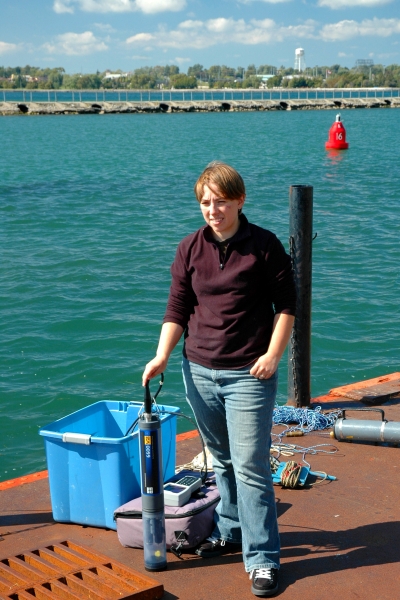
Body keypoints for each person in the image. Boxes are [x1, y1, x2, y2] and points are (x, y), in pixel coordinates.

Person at [142, 161, 296, 597]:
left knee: (250, 466)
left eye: (221, 202)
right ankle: (229, 529)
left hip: (249, 373)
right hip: (199, 370)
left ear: (240, 200)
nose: (213, 210)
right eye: (206, 203)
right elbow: (177, 308)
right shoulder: (190, 248)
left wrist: (272, 355)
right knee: (221, 460)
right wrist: (162, 356)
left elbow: (287, 306)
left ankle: (263, 558)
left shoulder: (264, 246)